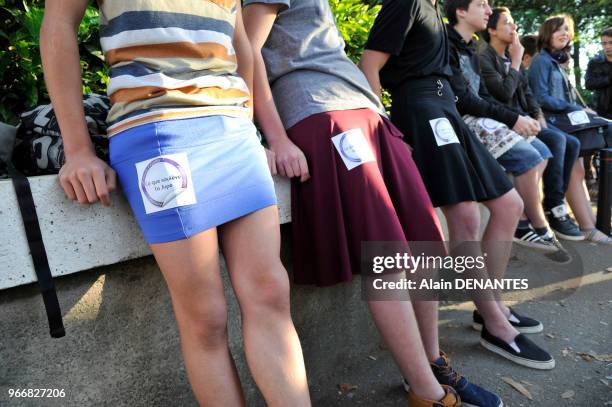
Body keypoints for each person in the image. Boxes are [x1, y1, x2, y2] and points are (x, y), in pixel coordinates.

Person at [40, 1, 311, 405]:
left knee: (270, 292)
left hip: (234, 132)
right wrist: (77, 149)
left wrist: (247, 122)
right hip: (157, 133)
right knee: (206, 317)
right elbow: (59, 23)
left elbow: (239, 40)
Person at [241, 0, 503, 405]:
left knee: (427, 237)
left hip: (366, 111)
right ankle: (426, 391)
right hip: (320, 110)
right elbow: (247, 48)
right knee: (387, 255)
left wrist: (379, 110)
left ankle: (431, 360)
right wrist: (275, 138)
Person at [360, 0, 555, 372]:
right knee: (464, 215)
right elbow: (369, 65)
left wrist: (513, 116)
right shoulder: (408, 3)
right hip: (420, 108)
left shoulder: (436, 16)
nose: (485, 6)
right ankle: (495, 324)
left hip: (448, 111)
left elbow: (464, 94)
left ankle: (490, 306)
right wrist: (385, 128)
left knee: (509, 204)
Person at [444, 1, 566, 254]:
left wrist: (526, 116)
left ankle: (533, 219)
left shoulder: (472, 48)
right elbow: (478, 98)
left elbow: (498, 95)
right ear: (461, 11)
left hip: (483, 114)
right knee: (531, 155)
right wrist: (513, 116)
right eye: (482, 5)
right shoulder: (457, 47)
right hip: (460, 120)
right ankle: (536, 224)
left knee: (544, 151)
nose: (488, 11)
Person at [479, 7, 584, 246]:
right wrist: (516, 60)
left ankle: (552, 206)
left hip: (524, 118)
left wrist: (537, 114)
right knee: (555, 142)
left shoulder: (510, 58)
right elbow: (502, 94)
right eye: (507, 23)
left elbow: (528, 93)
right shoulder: (485, 57)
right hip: (504, 120)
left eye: (514, 22)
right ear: (492, 30)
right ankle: (542, 213)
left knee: (568, 142)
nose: (514, 27)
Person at [529, 14, 612, 244]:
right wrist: (574, 108)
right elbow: (540, 97)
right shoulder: (541, 61)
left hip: (564, 124)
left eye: (567, 29)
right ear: (547, 33)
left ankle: (590, 226)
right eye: (558, 29)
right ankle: (587, 226)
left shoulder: (555, 61)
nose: (565, 33)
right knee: (576, 173)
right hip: (555, 125)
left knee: (578, 173)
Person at [585, 27, 612, 120]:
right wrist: (608, 79)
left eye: (611, 43)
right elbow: (588, 84)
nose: (607, 46)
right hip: (601, 112)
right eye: (604, 43)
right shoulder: (594, 62)